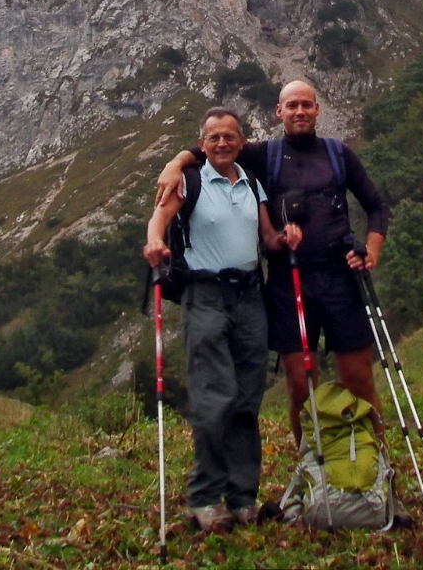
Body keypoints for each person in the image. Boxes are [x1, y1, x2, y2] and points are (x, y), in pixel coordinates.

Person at [157, 80, 391, 449]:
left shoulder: (339, 154)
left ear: (317, 109)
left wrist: (372, 250)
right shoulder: (265, 154)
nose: (300, 112)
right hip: (288, 280)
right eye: (291, 106)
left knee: (359, 377)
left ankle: (377, 465)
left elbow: (376, 206)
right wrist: (175, 165)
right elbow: (213, 147)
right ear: (278, 113)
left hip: (339, 277)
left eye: (306, 105)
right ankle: (308, 471)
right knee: (299, 385)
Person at [144, 107, 302, 533]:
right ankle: (204, 498)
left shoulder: (252, 183)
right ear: (202, 142)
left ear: (241, 140)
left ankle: (243, 496)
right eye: (213, 137)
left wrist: (284, 237)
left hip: (250, 296)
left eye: (229, 136)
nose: (221, 143)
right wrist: (155, 243)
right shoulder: (189, 181)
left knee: (248, 399)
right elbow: (158, 221)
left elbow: (266, 237)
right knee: (215, 398)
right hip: (205, 296)